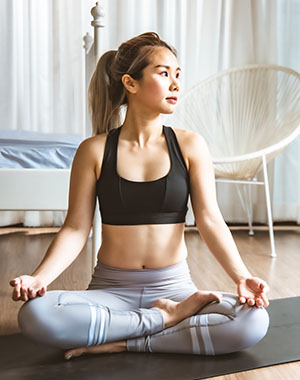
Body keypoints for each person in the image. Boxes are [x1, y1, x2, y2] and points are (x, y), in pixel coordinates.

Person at [9, 32, 270, 360]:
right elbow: (76, 228)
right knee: (36, 316)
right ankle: (166, 319)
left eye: (178, 74)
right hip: (111, 290)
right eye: (164, 73)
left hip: (176, 288)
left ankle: (124, 340)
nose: (175, 84)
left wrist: (242, 277)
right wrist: (39, 278)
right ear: (130, 83)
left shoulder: (190, 146)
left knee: (252, 321)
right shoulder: (94, 150)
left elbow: (209, 219)